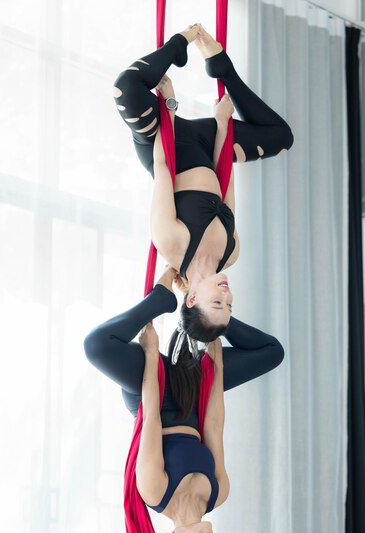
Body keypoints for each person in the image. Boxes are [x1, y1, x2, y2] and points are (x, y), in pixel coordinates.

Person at [83, 266, 285, 533]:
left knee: (96, 347)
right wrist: (215, 362)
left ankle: (160, 300)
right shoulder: (218, 493)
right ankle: (206, 312)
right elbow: (214, 426)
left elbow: (151, 420)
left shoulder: (155, 492)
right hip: (195, 398)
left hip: (154, 398)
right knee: (272, 352)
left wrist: (151, 353)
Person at [113, 24, 293, 344]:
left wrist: (169, 107)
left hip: (162, 141)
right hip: (207, 148)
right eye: (229, 305)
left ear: (192, 298)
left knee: (125, 88)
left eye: (217, 303)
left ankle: (177, 45)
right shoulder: (231, 253)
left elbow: (164, 167)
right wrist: (223, 125)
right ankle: (221, 66)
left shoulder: (172, 244)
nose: (227, 295)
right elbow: (226, 186)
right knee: (280, 138)